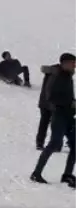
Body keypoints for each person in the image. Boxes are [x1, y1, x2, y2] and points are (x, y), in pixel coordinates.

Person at [31, 52, 76, 185]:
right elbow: (51, 97)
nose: (74, 66)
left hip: (68, 115)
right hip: (59, 115)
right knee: (54, 143)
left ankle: (67, 175)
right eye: (72, 63)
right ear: (65, 63)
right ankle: (36, 173)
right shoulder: (57, 76)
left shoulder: (68, 76)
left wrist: (73, 103)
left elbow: (68, 96)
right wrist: (70, 103)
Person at [37, 62, 59, 149]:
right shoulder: (56, 72)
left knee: (50, 123)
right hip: (47, 103)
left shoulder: (62, 74)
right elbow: (43, 68)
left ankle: (44, 143)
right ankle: (41, 143)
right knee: (47, 123)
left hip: (48, 103)